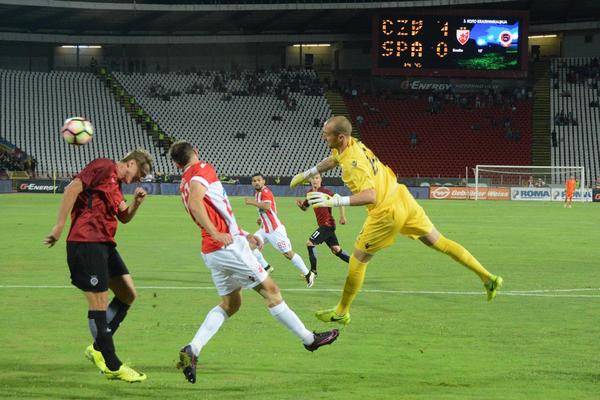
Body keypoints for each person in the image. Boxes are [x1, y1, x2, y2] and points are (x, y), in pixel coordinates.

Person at [290, 116, 503, 326]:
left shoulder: (355, 165)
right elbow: (334, 158)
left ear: (342, 137)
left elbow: (370, 195)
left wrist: (335, 201)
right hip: (401, 197)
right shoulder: (353, 144)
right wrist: (309, 172)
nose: (323, 137)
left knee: (358, 260)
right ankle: (488, 278)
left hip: (385, 212)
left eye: (327, 134)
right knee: (440, 242)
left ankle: (342, 312)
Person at [168, 141, 339, 384]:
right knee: (272, 292)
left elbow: (215, 208)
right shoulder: (202, 168)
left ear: (176, 164)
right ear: (196, 152)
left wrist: (240, 232)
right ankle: (308, 339)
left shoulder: (183, 182)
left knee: (230, 304)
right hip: (226, 247)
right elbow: (198, 202)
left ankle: (192, 349)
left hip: (212, 251)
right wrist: (218, 233)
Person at [43, 149, 153, 382]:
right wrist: (59, 227)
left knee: (128, 294)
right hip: (86, 242)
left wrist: (136, 203)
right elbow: (72, 188)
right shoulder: (103, 166)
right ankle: (112, 363)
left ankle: (98, 346)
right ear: (131, 162)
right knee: (99, 303)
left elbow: (124, 216)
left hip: (104, 244)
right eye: (140, 173)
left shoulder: (116, 186)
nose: (140, 179)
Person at [245, 173, 315, 287]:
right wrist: (262, 219)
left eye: (258, 180)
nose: (256, 182)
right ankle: (265, 267)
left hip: (275, 231)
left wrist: (251, 202)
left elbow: (267, 206)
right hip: (265, 229)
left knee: (288, 254)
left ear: (263, 181)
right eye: (254, 180)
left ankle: (308, 273)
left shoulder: (265, 192)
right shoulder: (258, 193)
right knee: (250, 245)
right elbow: (271, 210)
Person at [295, 173, 350, 277]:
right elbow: (305, 208)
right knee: (336, 249)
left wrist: (342, 217)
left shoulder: (326, 192)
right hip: (324, 226)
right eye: (313, 178)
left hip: (327, 225)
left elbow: (341, 201)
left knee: (310, 243)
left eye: (317, 178)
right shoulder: (310, 193)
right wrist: (301, 206)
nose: (315, 180)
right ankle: (356, 265)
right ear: (310, 180)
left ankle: (313, 272)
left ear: (320, 179)